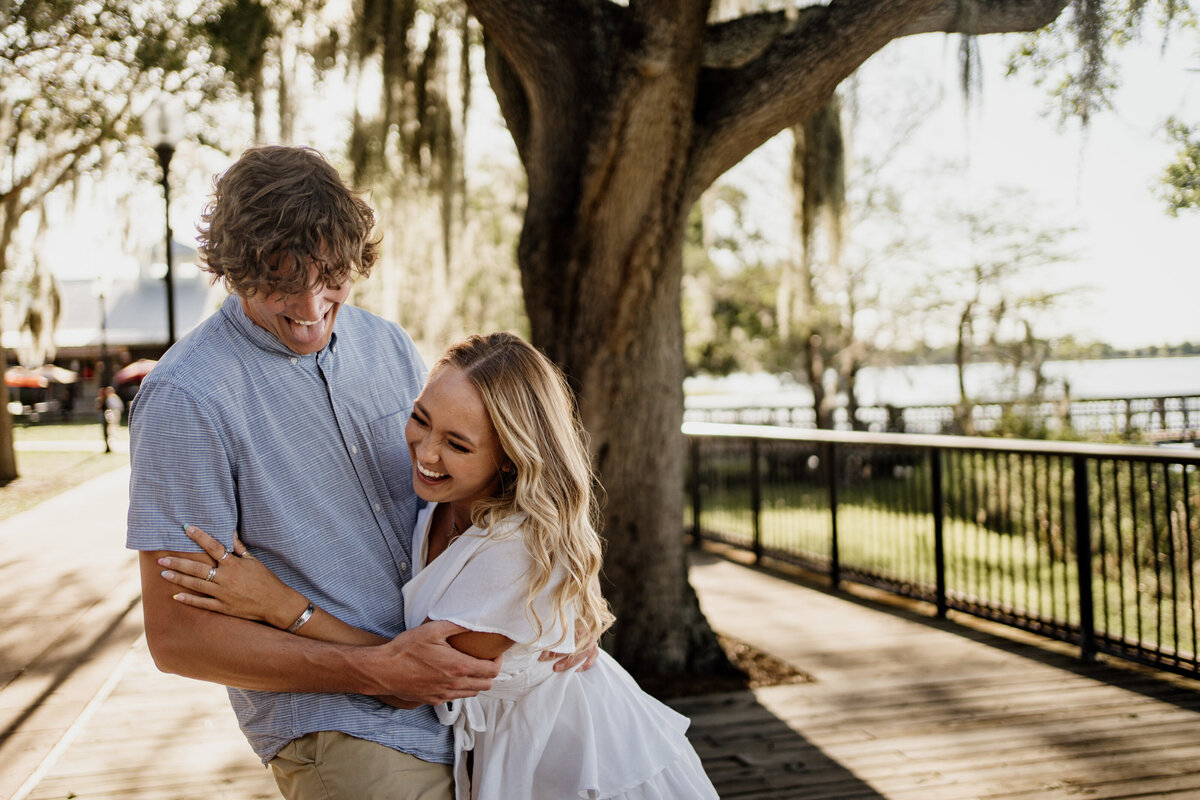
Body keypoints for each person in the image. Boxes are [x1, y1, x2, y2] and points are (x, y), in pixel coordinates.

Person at [126, 145, 570, 800]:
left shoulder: (386, 343)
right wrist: (373, 671)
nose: (310, 306)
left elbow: (474, 494)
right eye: (280, 281)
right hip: (340, 729)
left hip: (473, 711)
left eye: (330, 275)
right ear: (231, 270)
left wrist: (562, 614)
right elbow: (178, 638)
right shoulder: (186, 397)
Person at [158, 332, 720, 799]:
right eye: (421, 420)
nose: (426, 452)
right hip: (502, 751)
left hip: (575, 759)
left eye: (457, 443)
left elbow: (411, 681)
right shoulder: (440, 506)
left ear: (509, 457)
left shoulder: (513, 552)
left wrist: (281, 606)